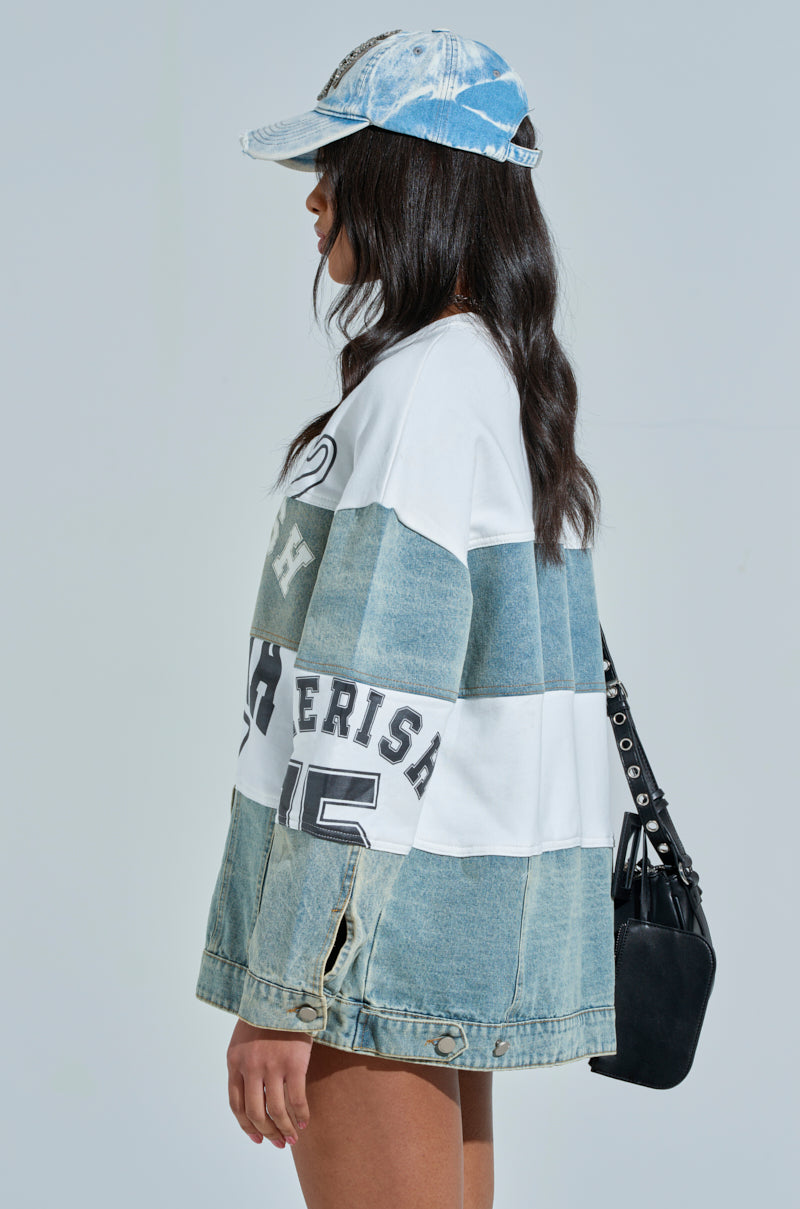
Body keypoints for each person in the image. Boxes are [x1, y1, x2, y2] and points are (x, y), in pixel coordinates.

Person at [195, 28, 617, 1209]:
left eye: (340, 164)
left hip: (367, 942)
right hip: (431, 925)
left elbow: (362, 710)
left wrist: (286, 984)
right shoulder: (493, 378)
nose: (316, 198)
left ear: (415, 179)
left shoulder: (424, 392)